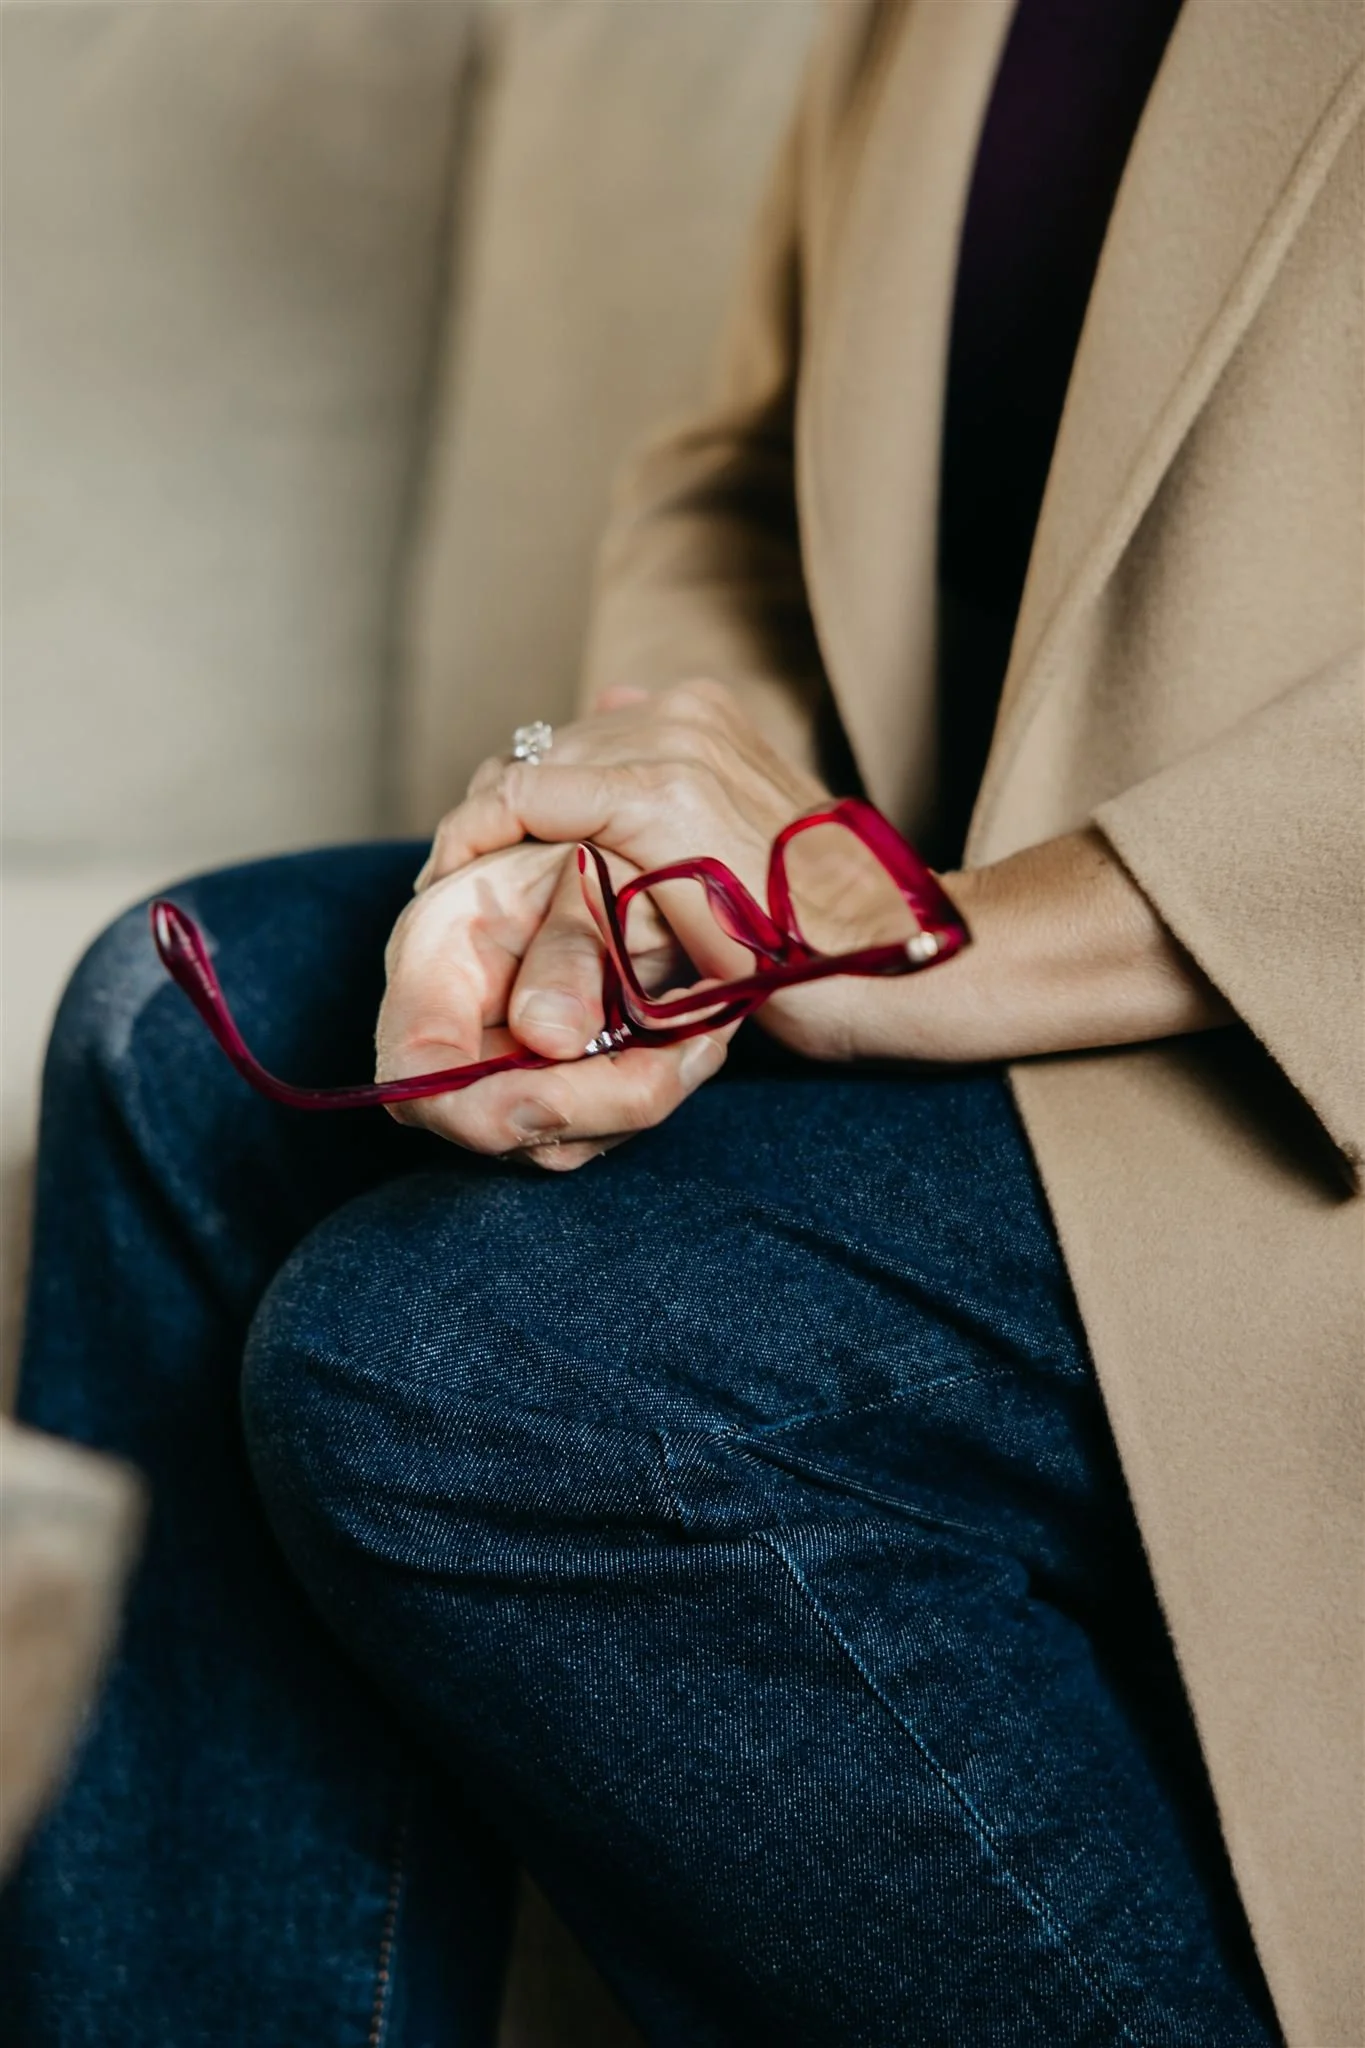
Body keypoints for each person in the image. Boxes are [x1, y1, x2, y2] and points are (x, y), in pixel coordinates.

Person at [3, 1, 1359, 2042]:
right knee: (173, 1033)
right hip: (906, 939)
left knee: (464, 1367)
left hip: (1267, 1051)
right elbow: (729, 474)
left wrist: (925, 942)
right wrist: (660, 829)